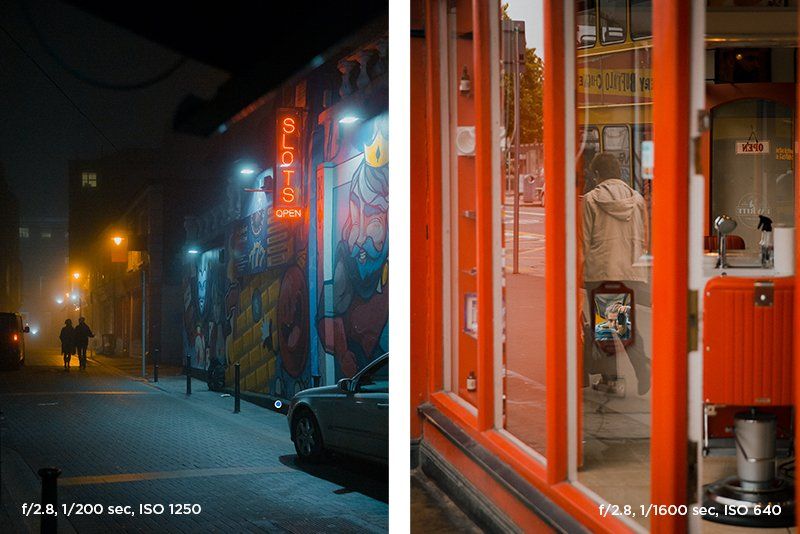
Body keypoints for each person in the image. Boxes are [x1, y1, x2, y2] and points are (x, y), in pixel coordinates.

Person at [582, 152, 651, 395]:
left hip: (602, 270)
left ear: (597, 174)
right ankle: (628, 372)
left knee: (608, 327)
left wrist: (576, 273)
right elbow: (645, 237)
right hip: (631, 271)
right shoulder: (638, 199)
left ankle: (618, 377)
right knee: (621, 320)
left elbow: (584, 242)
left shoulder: (590, 200)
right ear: (619, 171)